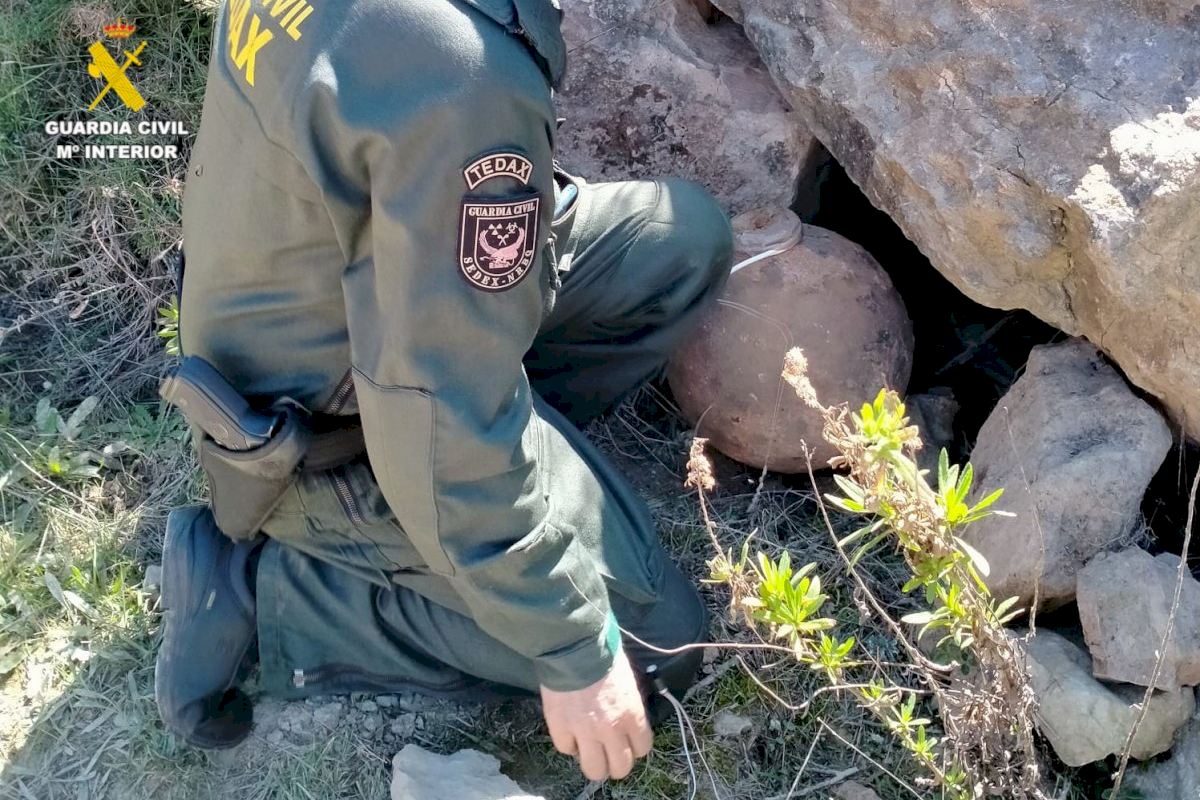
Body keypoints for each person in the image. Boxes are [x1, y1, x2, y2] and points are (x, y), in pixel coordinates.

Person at [155, 0, 733, 783]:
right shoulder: (454, 70)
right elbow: (427, 408)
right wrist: (570, 646)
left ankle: (500, 465)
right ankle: (273, 593)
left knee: (680, 242)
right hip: (324, 440)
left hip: (333, 316)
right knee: (654, 646)